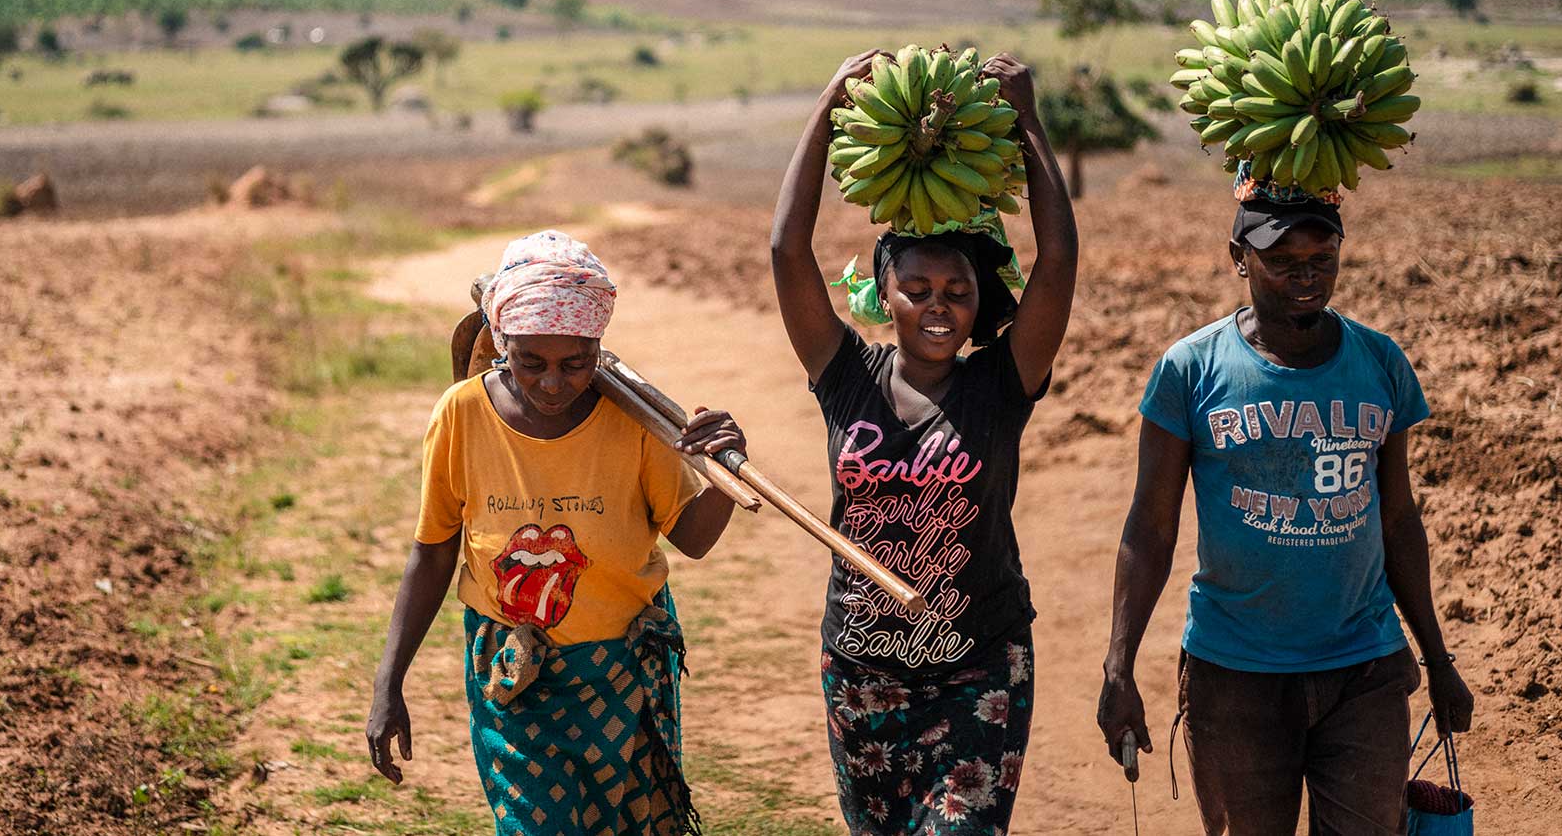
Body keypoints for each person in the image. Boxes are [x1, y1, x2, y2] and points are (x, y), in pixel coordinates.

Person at [1096, 185, 1476, 835]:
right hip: (1235, 673)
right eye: (1282, 259)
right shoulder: (1189, 371)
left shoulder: (1380, 363)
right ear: (1238, 257)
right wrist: (1118, 665)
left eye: (1322, 257)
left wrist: (1438, 659)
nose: (1306, 276)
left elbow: (1399, 519)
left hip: (1363, 664)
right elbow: (1151, 528)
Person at [771, 50, 1078, 834]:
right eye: (918, 289)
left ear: (981, 302)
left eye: (957, 291)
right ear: (887, 293)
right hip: (861, 671)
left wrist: (1032, 122)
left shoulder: (999, 385)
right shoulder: (846, 374)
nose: (937, 307)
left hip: (979, 669)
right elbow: (785, 252)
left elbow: (1060, 262)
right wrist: (828, 100)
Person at [366, 229, 746, 836]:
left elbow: (694, 539)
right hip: (512, 673)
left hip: (623, 667)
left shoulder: (636, 421)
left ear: (598, 348)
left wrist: (726, 470)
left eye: (575, 363)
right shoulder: (462, 414)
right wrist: (389, 683)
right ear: (501, 343)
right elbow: (432, 551)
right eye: (530, 362)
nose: (551, 382)